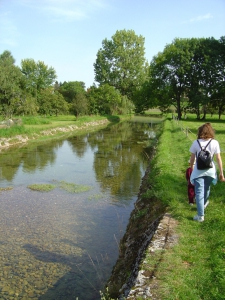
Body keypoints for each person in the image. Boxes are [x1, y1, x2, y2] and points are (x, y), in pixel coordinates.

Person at [189, 122, 225, 222]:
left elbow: (192, 158)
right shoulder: (215, 142)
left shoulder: (196, 143)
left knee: (199, 192)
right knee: (207, 188)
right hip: (210, 170)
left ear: (200, 131)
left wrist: (191, 168)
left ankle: (200, 216)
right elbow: (218, 158)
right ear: (211, 132)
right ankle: (203, 205)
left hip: (198, 171)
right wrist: (221, 173)